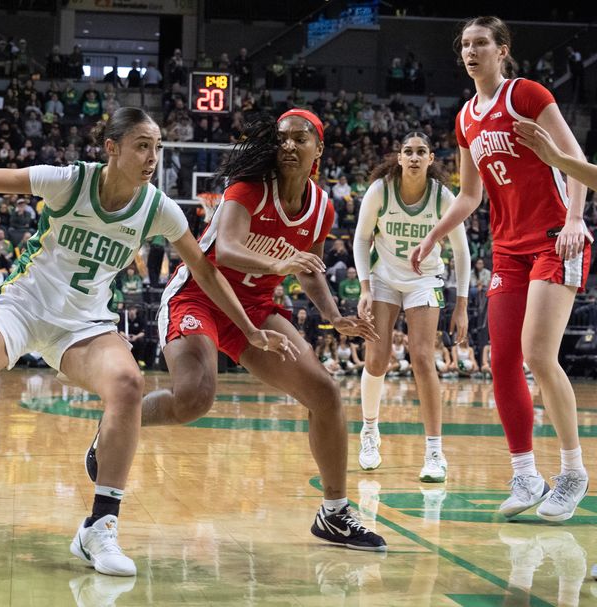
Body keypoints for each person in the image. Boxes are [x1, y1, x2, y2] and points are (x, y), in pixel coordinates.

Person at [0, 107, 293, 577]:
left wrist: (247, 329)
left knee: (127, 385)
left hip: (84, 326)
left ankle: (99, 527)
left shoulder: (157, 208)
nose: (152, 157)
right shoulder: (68, 182)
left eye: (157, 147)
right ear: (112, 148)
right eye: (143, 145)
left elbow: (204, 271)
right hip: (23, 307)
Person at [86, 109, 386, 551]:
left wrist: (334, 314)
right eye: (281, 138)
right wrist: (277, 262)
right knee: (195, 397)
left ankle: (335, 513)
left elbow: (310, 269)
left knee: (324, 393)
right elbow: (224, 250)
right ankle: (114, 425)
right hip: (198, 295)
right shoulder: (248, 188)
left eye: (300, 139)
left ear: (318, 149)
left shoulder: (321, 206)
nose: (288, 145)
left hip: (256, 307)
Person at [410, 16, 592, 521]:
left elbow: (572, 160)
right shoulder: (466, 117)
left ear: (502, 49)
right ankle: (526, 474)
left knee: (537, 353)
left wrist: (577, 218)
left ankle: (574, 472)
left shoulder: (527, 94)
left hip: (557, 239)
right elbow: (470, 194)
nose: (471, 52)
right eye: (465, 45)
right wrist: (432, 234)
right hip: (508, 249)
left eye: (481, 43)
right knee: (501, 360)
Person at [353, 130, 470, 481]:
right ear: (399, 157)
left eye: (422, 151)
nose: (415, 157)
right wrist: (364, 287)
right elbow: (361, 238)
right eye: (408, 151)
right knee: (377, 357)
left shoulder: (442, 197)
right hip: (384, 277)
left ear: (431, 159)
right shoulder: (381, 190)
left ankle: (435, 451)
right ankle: (370, 432)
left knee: (422, 357)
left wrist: (461, 304)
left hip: (425, 279)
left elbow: (461, 252)